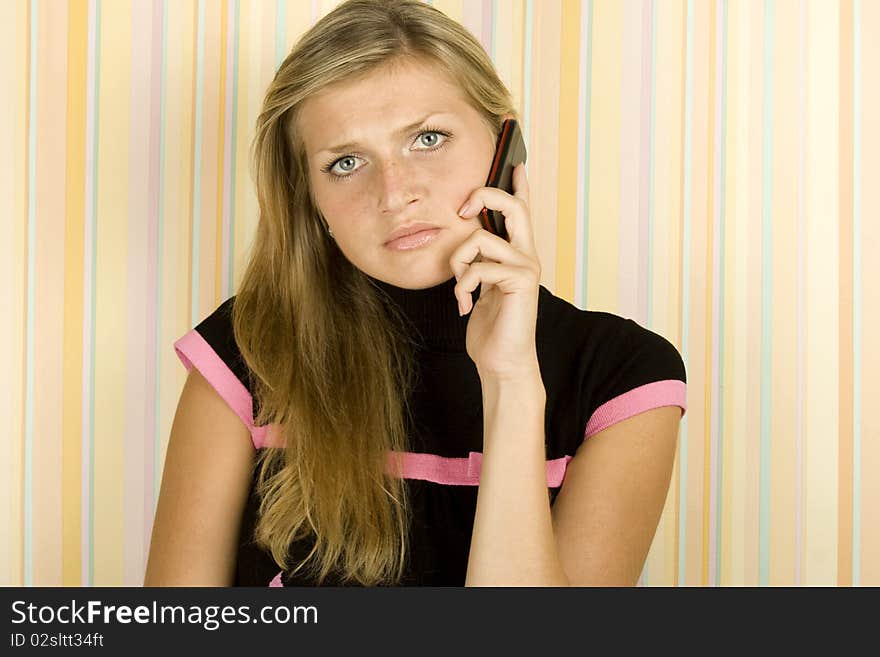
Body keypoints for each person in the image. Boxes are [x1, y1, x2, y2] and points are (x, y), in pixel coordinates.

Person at [144, 0, 687, 587]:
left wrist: (510, 384)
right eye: (346, 162)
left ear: (505, 147)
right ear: (310, 198)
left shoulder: (625, 376)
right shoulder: (245, 351)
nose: (394, 193)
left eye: (428, 138)